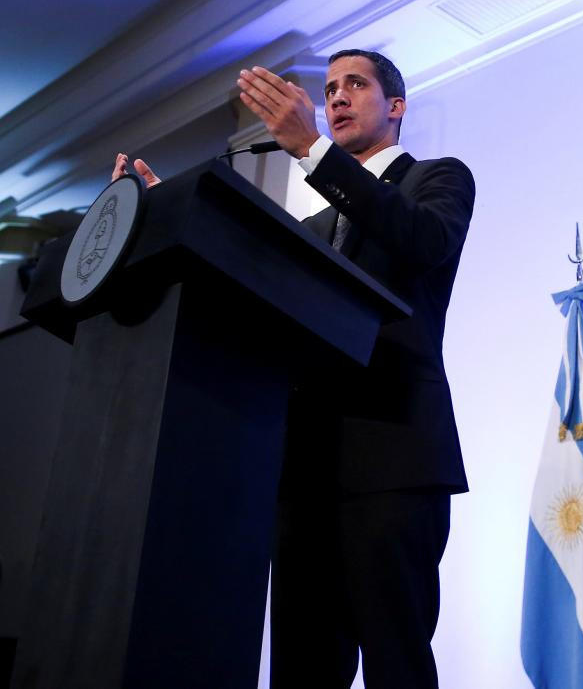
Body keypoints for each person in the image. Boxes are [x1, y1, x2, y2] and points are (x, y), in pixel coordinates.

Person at [113, 49, 474, 688]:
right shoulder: (311, 226)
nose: (336, 97)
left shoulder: (437, 180)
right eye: (330, 87)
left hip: (392, 458)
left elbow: (419, 239)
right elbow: (242, 283)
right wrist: (169, 217)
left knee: (398, 662)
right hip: (301, 469)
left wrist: (310, 148)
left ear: (396, 106)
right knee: (302, 668)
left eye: (354, 85)